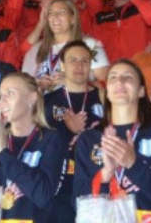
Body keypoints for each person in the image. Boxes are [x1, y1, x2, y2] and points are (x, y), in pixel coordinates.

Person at [73, 60, 151, 223]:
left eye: (128, 77)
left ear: (141, 91)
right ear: (107, 92)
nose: (119, 81)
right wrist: (104, 175)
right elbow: (77, 204)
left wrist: (133, 164)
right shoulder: (89, 139)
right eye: (113, 78)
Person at [0, 73, 67, 222]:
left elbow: (43, 195)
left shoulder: (51, 139)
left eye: (10, 94)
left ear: (32, 98)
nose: (2, 102)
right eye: (0, 96)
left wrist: (3, 153)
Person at [43, 41, 105, 220]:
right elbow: (42, 143)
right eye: (73, 60)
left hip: (95, 181)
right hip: (59, 184)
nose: (79, 66)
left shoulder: (104, 98)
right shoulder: (48, 102)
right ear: (62, 65)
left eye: (84, 61)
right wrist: (68, 130)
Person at [22, 0, 109, 89]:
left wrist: (72, 82)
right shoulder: (37, 48)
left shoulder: (90, 45)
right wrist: (37, 84)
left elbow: (105, 85)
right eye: (51, 13)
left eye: (62, 12)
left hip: (78, 102)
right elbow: (24, 85)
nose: (55, 16)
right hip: (44, 102)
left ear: (73, 18)